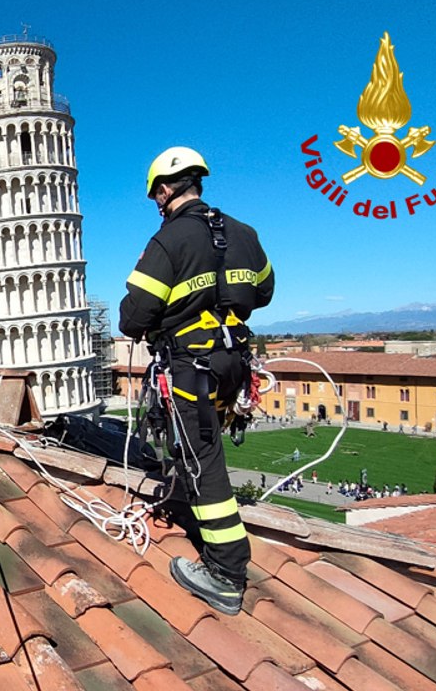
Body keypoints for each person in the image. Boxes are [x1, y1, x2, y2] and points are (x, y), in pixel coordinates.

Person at [119, 146, 274, 616]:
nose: (157, 204)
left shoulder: (169, 242)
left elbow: (133, 315)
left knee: (204, 459)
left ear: (165, 190)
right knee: (198, 450)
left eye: (156, 197)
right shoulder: (244, 233)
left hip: (192, 367)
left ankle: (225, 574)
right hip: (233, 362)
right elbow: (264, 291)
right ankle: (187, 508)